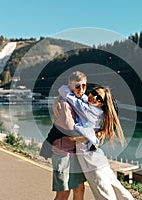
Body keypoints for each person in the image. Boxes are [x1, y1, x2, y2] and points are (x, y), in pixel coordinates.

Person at [58, 85, 134, 200]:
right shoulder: (100, 113)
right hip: (98, 157)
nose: (94, 97)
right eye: (93, 93)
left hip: (90, 161)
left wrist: (72, 86)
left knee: (105, 195)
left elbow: (63, 91)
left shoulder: (85, 109)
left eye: (99, 98)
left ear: (102, 103)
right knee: (118, 190)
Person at [50, 71, 88, 200]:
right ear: (69, 86)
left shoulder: (78, 102)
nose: (81, 89)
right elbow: (71, 134)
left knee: (79, 189)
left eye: (84, 86)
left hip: (76, 152)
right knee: (63, 192)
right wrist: (92, 137)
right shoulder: (64, 104)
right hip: (63, 153)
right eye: (77, 86)